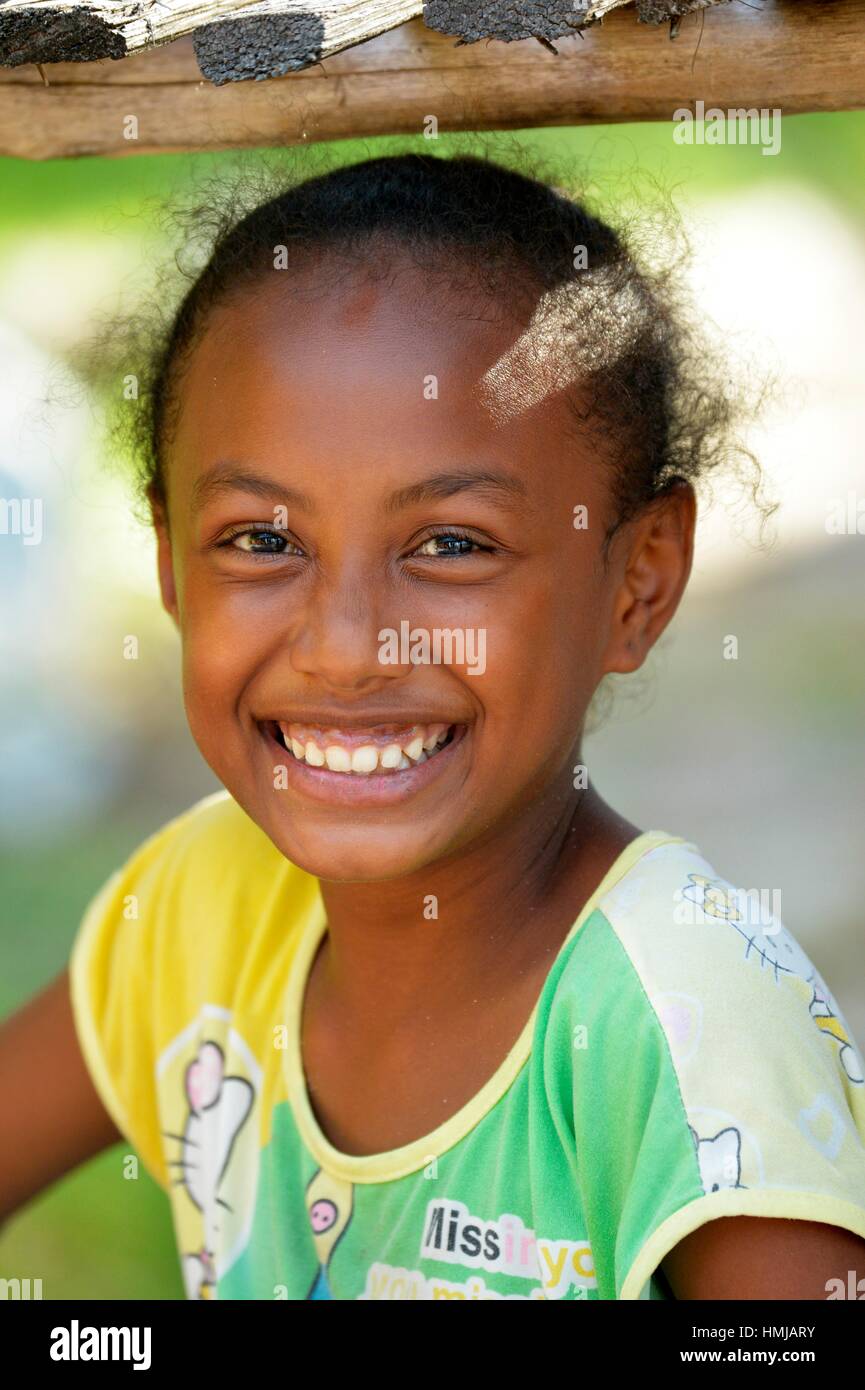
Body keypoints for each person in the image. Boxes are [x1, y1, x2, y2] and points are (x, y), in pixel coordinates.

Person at [2, 151, 864, 1300]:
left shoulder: (680, 1021)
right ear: (168, 564)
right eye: (262, 539)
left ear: (639, 581)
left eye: (451, 545)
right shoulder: (195, 914)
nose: (350, 646)